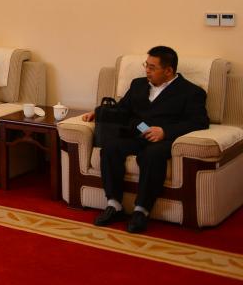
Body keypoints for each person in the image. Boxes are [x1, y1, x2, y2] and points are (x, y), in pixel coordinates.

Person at [85, 45, 208, 233]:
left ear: (168, 71)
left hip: (164, 141)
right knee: (110, 148)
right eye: (146, 65)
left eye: (152, 67)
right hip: (136, 135)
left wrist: (165, 131)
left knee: (151, 155)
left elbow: (199, 122)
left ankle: (141, 210)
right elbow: (122, 109)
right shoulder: (138, 84)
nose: (147, 71)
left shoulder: (191, 92)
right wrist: (99, 112)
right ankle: (114, 204)